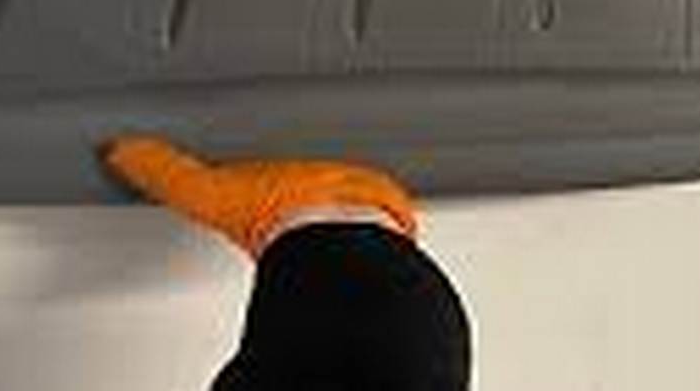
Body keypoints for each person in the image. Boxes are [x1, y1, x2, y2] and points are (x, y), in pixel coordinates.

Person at [104, 138, 472, 390]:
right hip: (307, 219)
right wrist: (119, 150)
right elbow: (157, 167)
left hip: (394, 228)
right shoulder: (255, 204)